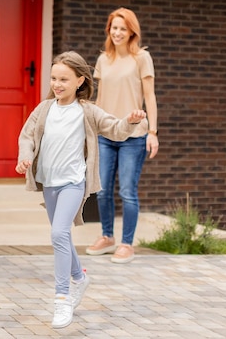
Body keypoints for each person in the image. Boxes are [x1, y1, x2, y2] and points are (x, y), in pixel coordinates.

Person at [15, 51, 146, 329]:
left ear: (79, 81)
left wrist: (131, 121)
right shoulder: (44, 109)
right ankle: (80, 277)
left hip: (73, 183)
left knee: (59, 233)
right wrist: (24, 157)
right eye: (53, 78)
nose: (57, 84)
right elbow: (26, 136)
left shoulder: (87, 111)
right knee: (61, 236)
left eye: (63, 79)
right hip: (48, 183)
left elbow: (115, 128)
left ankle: (62, 298)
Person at [86, 7, 159, 264]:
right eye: (114, 28)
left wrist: (153, 132)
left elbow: (149, 96)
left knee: (127, 191)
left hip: (134, 135)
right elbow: (98, 97)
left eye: (122, 28)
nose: (117, 32)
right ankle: (107, 237)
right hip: (107, 134)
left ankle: (127, 243)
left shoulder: (141, 58)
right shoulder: (103, 60)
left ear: (131, 32)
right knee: (103, 191)